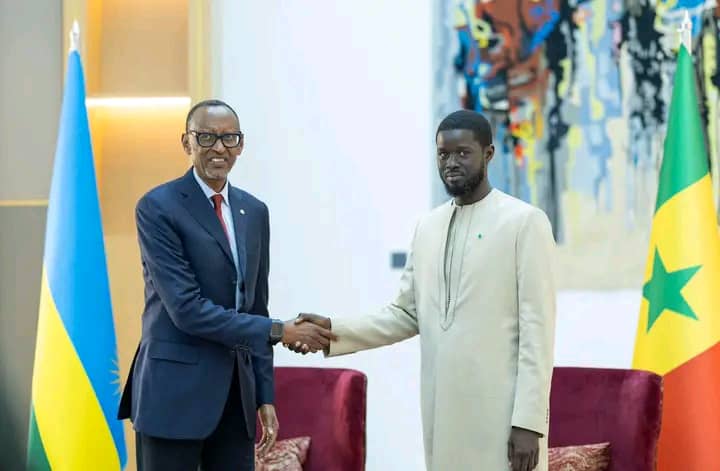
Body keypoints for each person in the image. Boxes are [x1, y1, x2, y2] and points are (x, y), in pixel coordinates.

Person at [293, 110, 556, 471]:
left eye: (463, 153)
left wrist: (528, 423)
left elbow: (537, 332)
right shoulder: (427, 227)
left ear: (489, 154)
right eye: (443, 154)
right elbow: (405, 313)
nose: (451, 163)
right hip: (443, 414)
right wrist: (330, 332)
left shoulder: (524, 223)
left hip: (502, 418)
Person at [118, 99, 335, 471]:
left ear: (241, 144)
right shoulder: (157, 207)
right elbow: (187, 310)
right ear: (186, 143)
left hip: (236, 398)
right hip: (173, 395)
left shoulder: (254, 211)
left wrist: (265, 396)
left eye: (229, 138)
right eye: (206, 137)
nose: (219, 148)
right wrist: (280, 331)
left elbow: (255, 307)